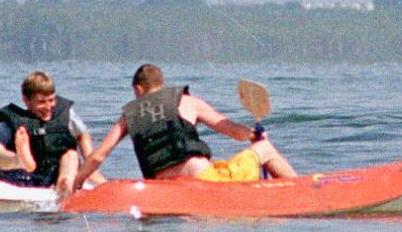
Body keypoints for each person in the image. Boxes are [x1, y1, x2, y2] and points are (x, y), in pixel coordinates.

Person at [72, 64, 296, 190]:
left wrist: (77, 181)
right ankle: (297, 191)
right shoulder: (188, 101)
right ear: (161, 84)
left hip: (166, 190)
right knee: (265, 148)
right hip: (205, 181)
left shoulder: (129, 115)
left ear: (139, 89)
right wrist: (254, 134)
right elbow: (231, 130)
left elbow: (97, 157)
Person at [0, 71, 104, 195]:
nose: (48, 106)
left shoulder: (66, 115)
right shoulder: (14, 122)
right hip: (21, 176)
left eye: (51, 100)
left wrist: (89, 161)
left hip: (55, 175)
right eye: (42, 102)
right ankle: (19, 160)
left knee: (71, 155)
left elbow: (82, 135)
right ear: (26, 101)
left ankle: (64, 184)